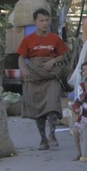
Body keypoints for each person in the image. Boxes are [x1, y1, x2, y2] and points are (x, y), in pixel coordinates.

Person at [17, 8, 70, 150]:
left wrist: (53, 60)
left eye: (47, 20)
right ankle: (43, 139)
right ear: (35, 22)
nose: (45, 23)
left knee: (52, 105)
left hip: (51, 75)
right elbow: (21, 57)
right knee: (38, 109)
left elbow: (62, 55)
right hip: (34, 76)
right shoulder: (28, 39)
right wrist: (23, 69)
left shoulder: (55, 38)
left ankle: (52, 134)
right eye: (41, 21)